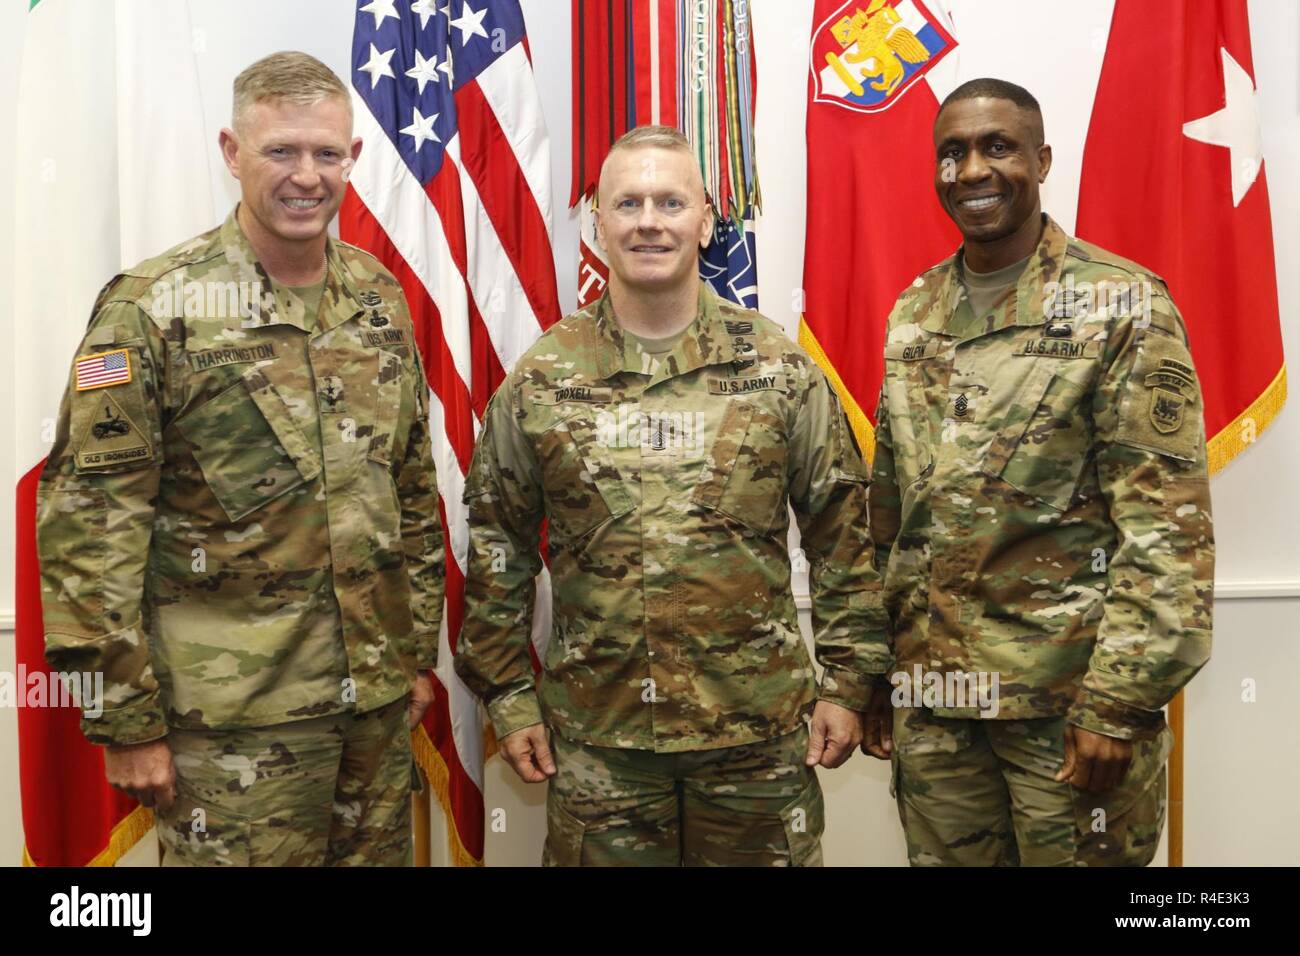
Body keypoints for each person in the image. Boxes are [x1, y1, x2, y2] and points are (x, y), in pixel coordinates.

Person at [36, 51, 443, 866]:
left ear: (353, 158)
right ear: (231, 152)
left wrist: (413, 657)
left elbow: (410, 486)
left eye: (327, 154)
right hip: (228, 733)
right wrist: (125, 720)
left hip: (371, 711)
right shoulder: (151, 311)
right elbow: (90, 531)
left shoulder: (377, 296)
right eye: (280, 151)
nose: (307, 176)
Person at [456, 125, 889, 866]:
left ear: (706, 218)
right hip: (600, 746)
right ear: (598, 221)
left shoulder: (778, 370)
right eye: (627, 203)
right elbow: (497, 548)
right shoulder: (542, 378)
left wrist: (848, 686)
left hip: (755, 744)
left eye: (669, 201)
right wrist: (506, 694)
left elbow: (843, 536)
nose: (649, 221)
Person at [863, 78, 1214, 866]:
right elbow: (888, 513)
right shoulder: (916, 310)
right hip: (939, 708)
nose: (973, 170)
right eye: (952, 153)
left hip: (1066, 714)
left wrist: (1120, 703)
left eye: (997, 147)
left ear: (1042, 159)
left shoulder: (1122, 304)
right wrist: (877, 673)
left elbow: (1167, 533)